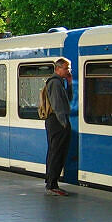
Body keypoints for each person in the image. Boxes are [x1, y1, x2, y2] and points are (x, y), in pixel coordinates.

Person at [44, 57, 74, 196]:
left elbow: (68, 99)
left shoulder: (60, 82)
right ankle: (52, 183)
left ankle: (51, 182)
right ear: (58, 68)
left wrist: (70, 83)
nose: (68, 71)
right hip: (57, 121)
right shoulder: (55, 83)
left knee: (56, 152)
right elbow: (57, 105)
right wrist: (64, 123)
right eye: (66, 68)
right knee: (57, 152)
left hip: (57, 121)